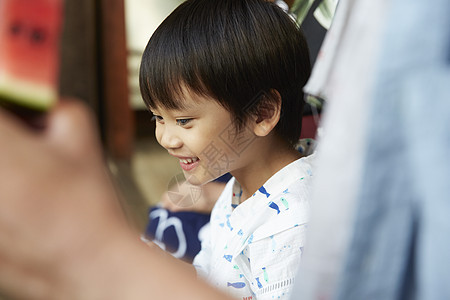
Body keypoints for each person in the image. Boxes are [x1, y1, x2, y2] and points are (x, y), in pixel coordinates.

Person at [138, 0, 313, 299]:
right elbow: (214, 276)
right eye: (158, 117)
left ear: (261, 113)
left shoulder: (292, 224)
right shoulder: (239, 187)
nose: (166, 138)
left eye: (183, 120)